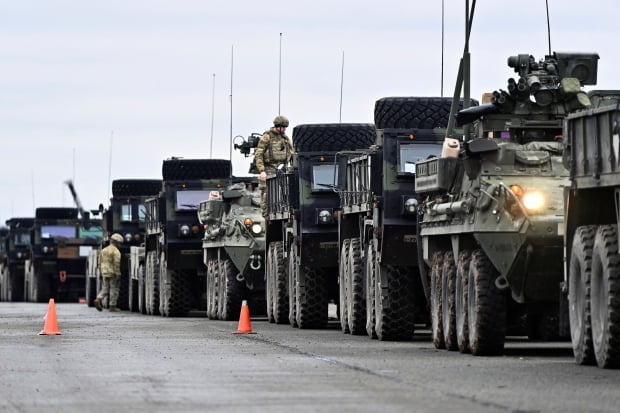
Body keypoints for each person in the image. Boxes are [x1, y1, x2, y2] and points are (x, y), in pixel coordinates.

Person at [254, 115, 294, 216]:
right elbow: (259, 154)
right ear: (277, 126)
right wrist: (262, 171)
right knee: (267, 194)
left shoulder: (285, 138)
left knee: (286, 191)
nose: (284, 129)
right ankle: (266, 216)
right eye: (283, 127)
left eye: (285, 128)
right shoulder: (267, 137)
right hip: (269, 168)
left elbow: (291, 152)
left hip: (282, 168)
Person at [93, 233, 123, 312]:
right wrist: (118, 274)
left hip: (104, 272)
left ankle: (98, 299)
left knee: (105, 288)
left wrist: (100, 271)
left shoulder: (104, 250)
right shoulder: (116, 252)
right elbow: (116, 264)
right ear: (117, 242)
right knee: (114, 289)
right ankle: (112, 306)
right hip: (112, 272)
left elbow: (99, 262)